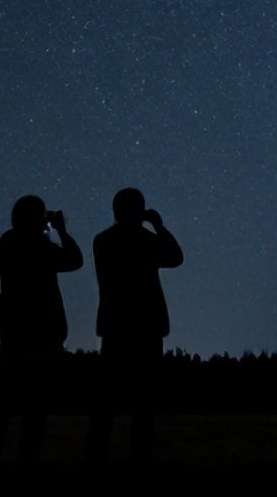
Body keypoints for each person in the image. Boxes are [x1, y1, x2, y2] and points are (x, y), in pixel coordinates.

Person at [0, 194, 83, 464]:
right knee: (35, 409)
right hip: (41, 335)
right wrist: (61, 230)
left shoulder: (6, 241)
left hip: (14, 333)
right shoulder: (39, 245)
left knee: (3, 406)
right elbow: (75, 260)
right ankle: (26, 459)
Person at [86, 187, 183, 464]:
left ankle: (99, 458)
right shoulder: (141, 242)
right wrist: (158, 227)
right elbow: (175, 256)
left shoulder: (103, 240)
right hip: (141, 327)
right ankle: (136, 458)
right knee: (139, 403)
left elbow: (175, 257)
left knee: (114, 403)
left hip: (120, 327)